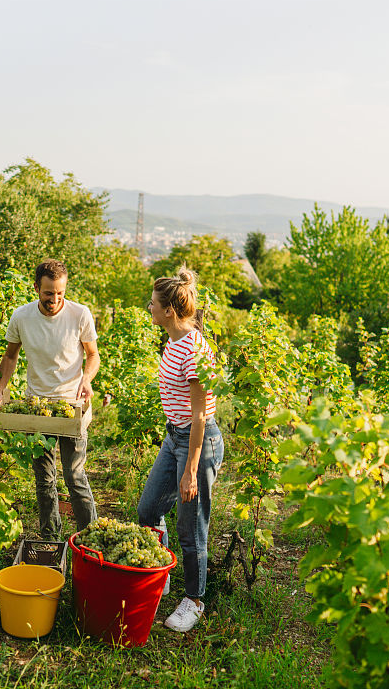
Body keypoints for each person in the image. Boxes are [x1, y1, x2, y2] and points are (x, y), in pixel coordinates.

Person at [137, 268, 225, 633]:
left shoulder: (195, 349)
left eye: (153, 304)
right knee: (149, 509)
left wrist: (190, 469)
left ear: (169, 311)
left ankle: (195, 600)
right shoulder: (174, 341)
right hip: (175, 437)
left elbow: (201, 416)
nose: (149, 307)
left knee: (191, 526)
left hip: (197, 444)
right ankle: (165, 572)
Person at [0, 258, 100, 539]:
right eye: (48, 293)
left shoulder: (80, 315)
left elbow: (93, 355)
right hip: (36, 407)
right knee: (44, 480)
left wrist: (86, 379)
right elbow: (10, 355)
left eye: (60, 293)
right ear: (36, 288)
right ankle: (50, 537)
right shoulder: (22, 316)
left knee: (75, 477)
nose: (55, 299)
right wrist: (0, 387)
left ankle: (90, 536)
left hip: (70, 407)